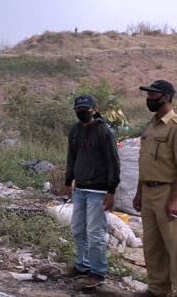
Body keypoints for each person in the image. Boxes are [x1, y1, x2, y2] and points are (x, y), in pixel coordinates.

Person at [62, 94, 120, 288]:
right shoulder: (75, 131)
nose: (82, 113)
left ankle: (97, 272)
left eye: (85, 109)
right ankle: (83, 265)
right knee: (78, 229)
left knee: (96, 233)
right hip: (80, 189)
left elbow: (114, 162)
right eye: (78, 110)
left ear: (94, 109)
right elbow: (72, 157)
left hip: (99, 190)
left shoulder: (104, 132)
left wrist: (111, 190)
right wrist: (68, 180)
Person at [133, 80, 177, 297]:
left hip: (167, 192)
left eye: (153, 95)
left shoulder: (175, 125)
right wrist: (139, 191)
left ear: (166, 97)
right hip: (148, 192)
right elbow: (145, 161)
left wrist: (174, 200)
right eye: (148, 95)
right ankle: (158, 289)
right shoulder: (150, 126)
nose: (149, 99)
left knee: (174, 244)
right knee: (152, 245)